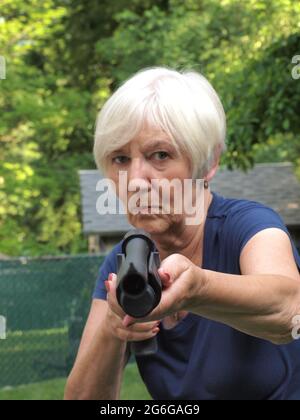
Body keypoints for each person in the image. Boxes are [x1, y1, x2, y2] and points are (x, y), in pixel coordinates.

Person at [64, 67, 300, 400]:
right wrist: (113, 328)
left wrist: (198, 288)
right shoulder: (124, 262)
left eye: (160, 155)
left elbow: (290, 310)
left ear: (209, 161)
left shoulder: (249, 225)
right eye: (120, 158)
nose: (135, 181)